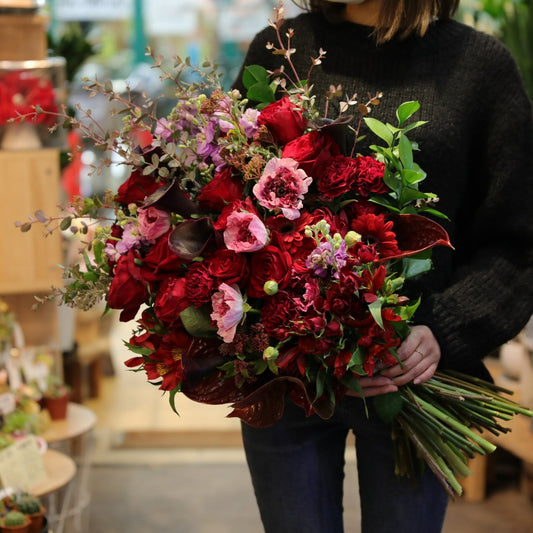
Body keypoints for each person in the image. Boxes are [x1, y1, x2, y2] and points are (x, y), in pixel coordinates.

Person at [232, 1, 533, 532]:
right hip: (291, 377)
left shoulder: (479, 67)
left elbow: (519, 241)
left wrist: (445, 328)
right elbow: (230, 207)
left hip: (415, 383)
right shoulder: (281, 50)